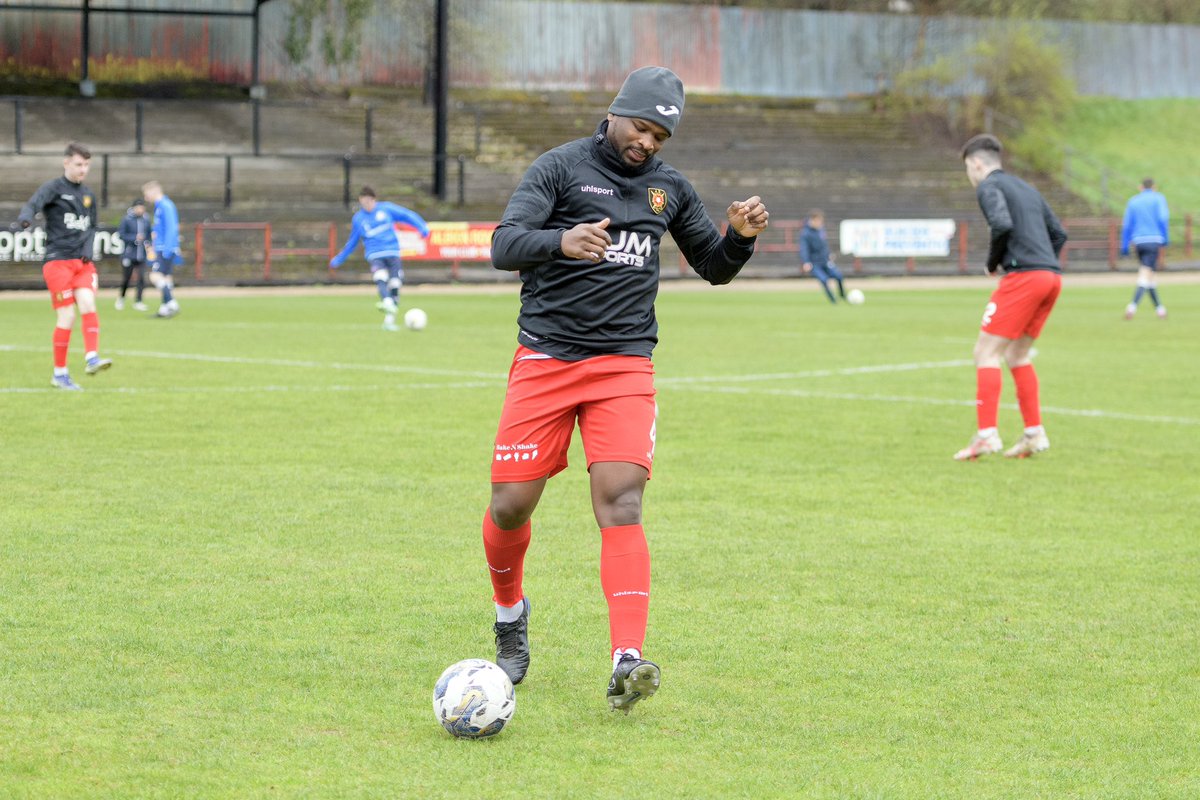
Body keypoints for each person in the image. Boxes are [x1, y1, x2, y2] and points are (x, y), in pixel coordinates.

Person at [481, 66, 769, 712]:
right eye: (642, 127)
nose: (649, 143)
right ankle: (509, 615)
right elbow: (503, 245)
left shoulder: (670, 189)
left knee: (622, 501)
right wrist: (560, 240)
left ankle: (627, 658)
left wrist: (740, 242)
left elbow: (714, 269)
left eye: (661, 134)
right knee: (510, 507)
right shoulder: (558, 168)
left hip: (624, 366)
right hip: (547, 358)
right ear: (616, 114)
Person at [955, 133, 1067, 461]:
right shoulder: (1027, 188)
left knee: (985, 352)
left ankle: (987, 435)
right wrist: (1044, 260)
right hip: (1051, 277)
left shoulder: (989, 187)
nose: (969, 175)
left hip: (1025, 278)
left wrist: (993, 264)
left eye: (967, 168)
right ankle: (1034, 433)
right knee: (1018, 354)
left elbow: (1001, 224)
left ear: (976, 163)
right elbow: (1059, 233)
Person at [16, 141, 112, 390]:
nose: (83, 170)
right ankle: (60, 373)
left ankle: (92, 357)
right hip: (58, 261)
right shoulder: (54, 188)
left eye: (87, 165)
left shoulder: (88, 195)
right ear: (66, 162)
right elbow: (33, 204)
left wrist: (88, 251)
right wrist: (26, 218)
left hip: (82, 262)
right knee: (67, 316)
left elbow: (92, 226)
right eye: (79, 164)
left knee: (88, 304)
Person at [329, 187, 430, 331]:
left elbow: (407, 215)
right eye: (364, 202)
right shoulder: (359, 218)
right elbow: (352, 241)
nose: (367, 204)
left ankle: (389, 319)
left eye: (369, 201)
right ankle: (387, 301)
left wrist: (421, 226)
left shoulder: (386, 209)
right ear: (360, 201)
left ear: (374, 199)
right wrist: (340, 258)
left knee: (395, 284)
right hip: (375, 254)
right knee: (380, 276)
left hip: (393, 251)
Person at [1120, 178, 1170, 320]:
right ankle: (1132, 307)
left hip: (1138, 242)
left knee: (1150, 275)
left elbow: (1127, 225)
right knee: (1145, 274)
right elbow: (1163, 219)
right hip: (1154, 240)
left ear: (1140, 187)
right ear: (1154, 186)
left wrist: (1124, 246)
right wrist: (1165, 238)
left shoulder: (1133, 201)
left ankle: (1160, 309)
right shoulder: (1159, 199)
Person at [142, 180, 182, 319]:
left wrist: (167, 249)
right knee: (166, 277)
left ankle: (171, 302)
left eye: (147, 194)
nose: (146, 198)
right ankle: (165, 308)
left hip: (164, 248)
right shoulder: (160, 206)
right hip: (163, 247)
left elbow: (172, 228)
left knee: (154, 275)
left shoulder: (165, 205)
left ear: (154, 191)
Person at [799, 209, 846, 303]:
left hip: (825, 261)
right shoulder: (805, 233)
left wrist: (829, 255)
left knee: (839, 276)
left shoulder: (821, 230)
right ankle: (833, 300)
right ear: (812, 220)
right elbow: (804, 249)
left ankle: (842, 295)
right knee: (824, 280)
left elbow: (824, 245)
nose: (820, 223)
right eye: (818, 221)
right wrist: (806, 262)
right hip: (814, 263)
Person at [116, 198, 150, 311]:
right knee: (126, 278)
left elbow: (148, 234)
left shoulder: (146, 219)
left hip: (141, 254)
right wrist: (134, 238)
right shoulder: (127, 219)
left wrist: (148, 243)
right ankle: (121, 298)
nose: (140, 210)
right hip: (129, 254)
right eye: (138, 207)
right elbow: (121, 235)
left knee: (141, 278)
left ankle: (138, 301)